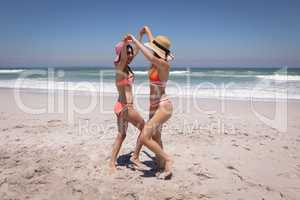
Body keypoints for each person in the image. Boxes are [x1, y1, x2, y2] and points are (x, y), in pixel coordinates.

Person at [127, 26, 174, 179]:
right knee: (156, 137)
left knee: (144, 137)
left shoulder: (163, 64)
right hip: (153, 106)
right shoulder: (157, 60)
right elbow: (153, 45)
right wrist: (146, 32)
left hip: (163, 105)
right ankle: (161, 164)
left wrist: (134, 40)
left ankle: (168, 159)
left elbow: (151, 56)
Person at [109, 33, 145, 174]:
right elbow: (124, 56)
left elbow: (135, 51)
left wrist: (139, 37)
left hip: (120, 106)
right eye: (127, 53)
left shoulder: (126, 68)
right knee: (146, 129)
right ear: (121, 55)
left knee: (121, 135)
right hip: (126, 108)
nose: (130, 55)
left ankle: (112, 162)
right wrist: (124, 43)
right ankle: (135, 157)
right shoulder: (120, 68)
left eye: (130, 53)